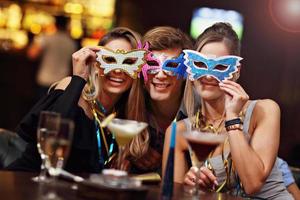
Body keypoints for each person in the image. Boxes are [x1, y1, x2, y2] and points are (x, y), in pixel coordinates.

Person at [162, 22, 293, 199]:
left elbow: (252, 184)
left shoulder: (265, 110)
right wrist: (189, 184)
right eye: (200, 64)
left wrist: (232, 119)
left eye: (220, 67)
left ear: (236, 71)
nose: (208, 75)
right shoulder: (178, 132)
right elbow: (172, 195)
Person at [13, 27, 145, 173]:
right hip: (28, 180)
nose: (118, 70)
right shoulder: (71, 86)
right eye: (109, 59)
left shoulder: (122, 118)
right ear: (96, 63)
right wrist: (79, 78)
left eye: (128, 62)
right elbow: (52, 139)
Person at [122, 26, 193, 174]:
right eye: (153, 65)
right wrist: (129, 152)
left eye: (172, 65)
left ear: (186, 72)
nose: (161, 75)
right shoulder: (125, 103)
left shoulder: (200, 113)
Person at [27, 15, 77, 99]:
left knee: (41, 107)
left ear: (55, 24)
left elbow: (32, 54)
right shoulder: (71, 42)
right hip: (62, 82)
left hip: (45, 79)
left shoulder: (46, 38)